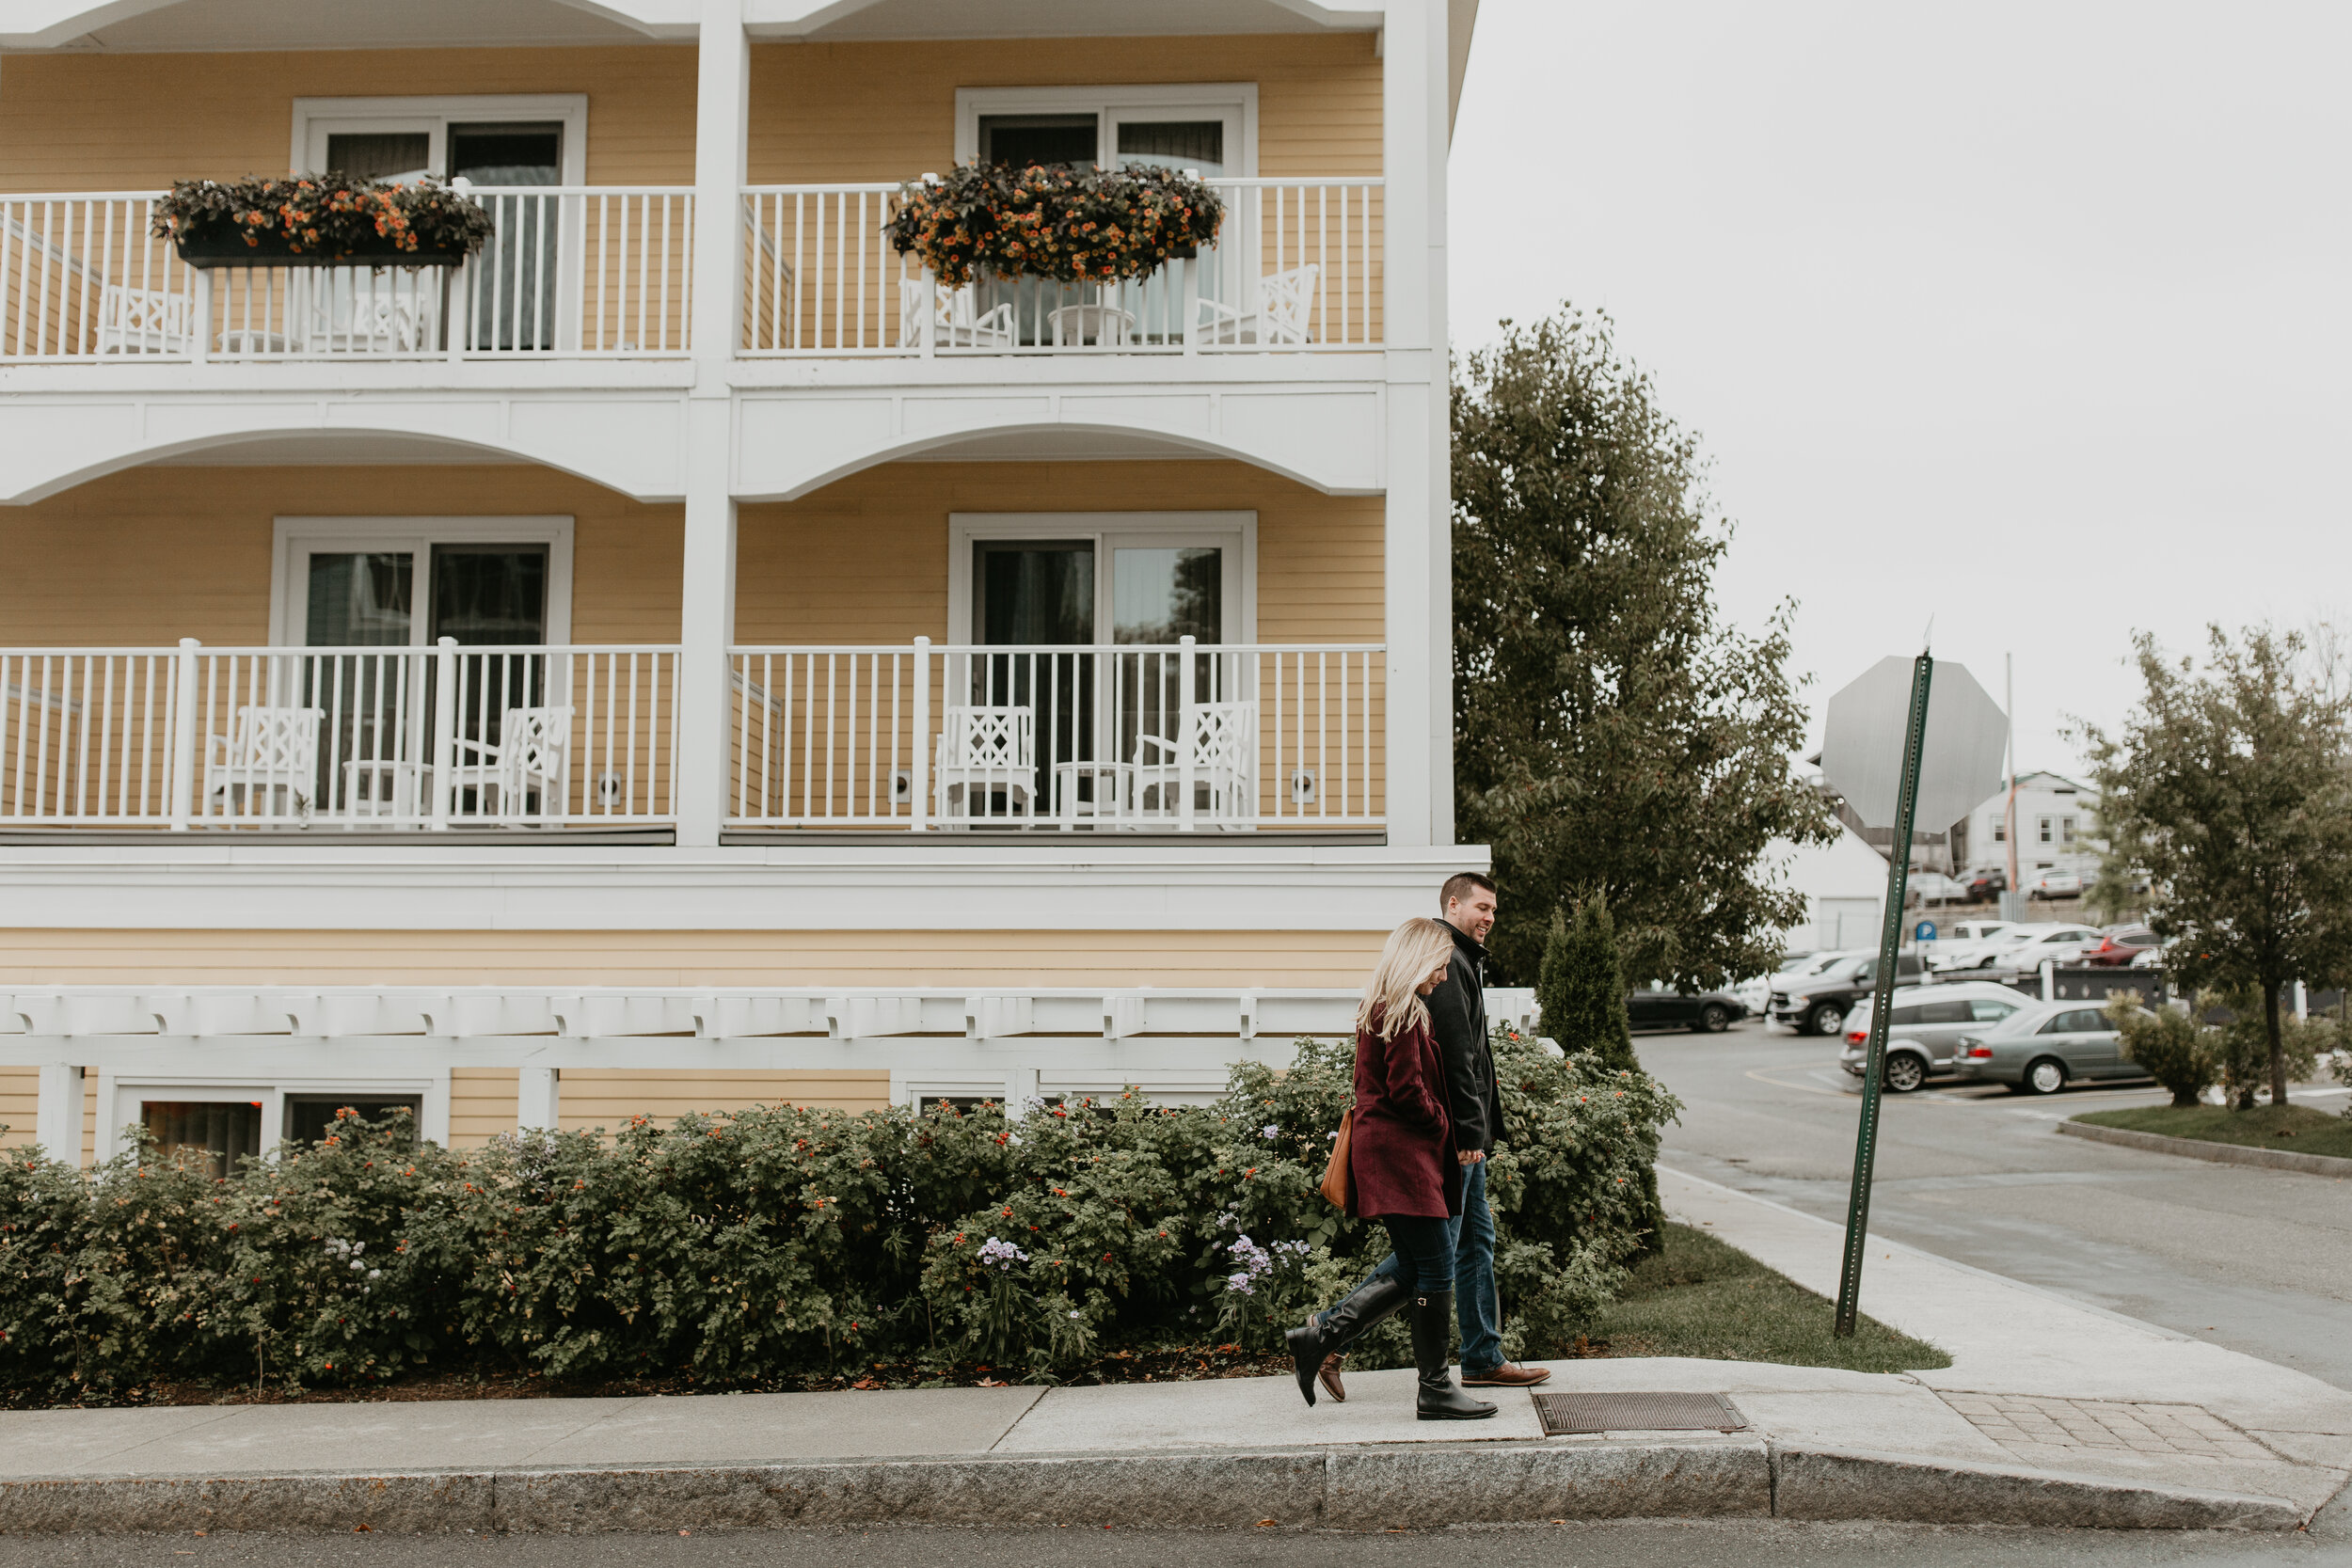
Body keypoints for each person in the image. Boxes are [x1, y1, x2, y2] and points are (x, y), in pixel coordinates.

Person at [1300, 873, 1552, 1403]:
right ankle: (1333, 1337)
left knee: (1464, 1244)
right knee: (1434, 1255)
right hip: (1445, 1143)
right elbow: (1451, 1061)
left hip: (1451, 1136)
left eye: (1494, 909)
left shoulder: (1453, 963)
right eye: (1481, 906)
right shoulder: (1443, 966)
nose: (1489, 917)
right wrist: (1463, 1132)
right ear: (1453, 905)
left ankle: (1478, 1355)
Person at [1285, 916, 1496, 1420]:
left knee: (1414, 1265)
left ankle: (1321, 1336)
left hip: (1393, 1155)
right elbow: (1406, 1091)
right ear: (1419, 958)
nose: (1444, 977)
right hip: (1404, 1157)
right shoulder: (1402, 1010)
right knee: (1438, 1267)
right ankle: (1435, 1388)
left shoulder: (1382, 1007)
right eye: (1441, 966)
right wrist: (1445, 1122)